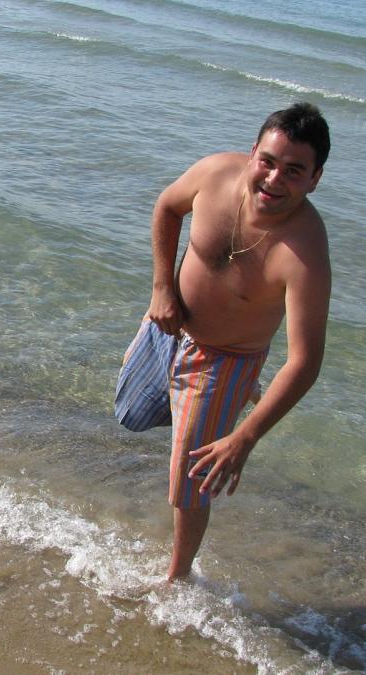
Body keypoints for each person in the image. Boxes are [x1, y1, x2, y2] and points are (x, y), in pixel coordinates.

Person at [114, 102, 331, 581]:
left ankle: (177, 577)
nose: (274, 180)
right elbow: (167, 208)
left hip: (225, 359)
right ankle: (210, 409)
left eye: (294, 171)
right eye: (268, 162)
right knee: (129, 414)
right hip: (169, 323)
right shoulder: (214, 174)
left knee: (188, 482)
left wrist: (244, 436)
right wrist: (161, 288)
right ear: (253, 153)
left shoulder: (304, 253)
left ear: (315, 179)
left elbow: (306, 361)